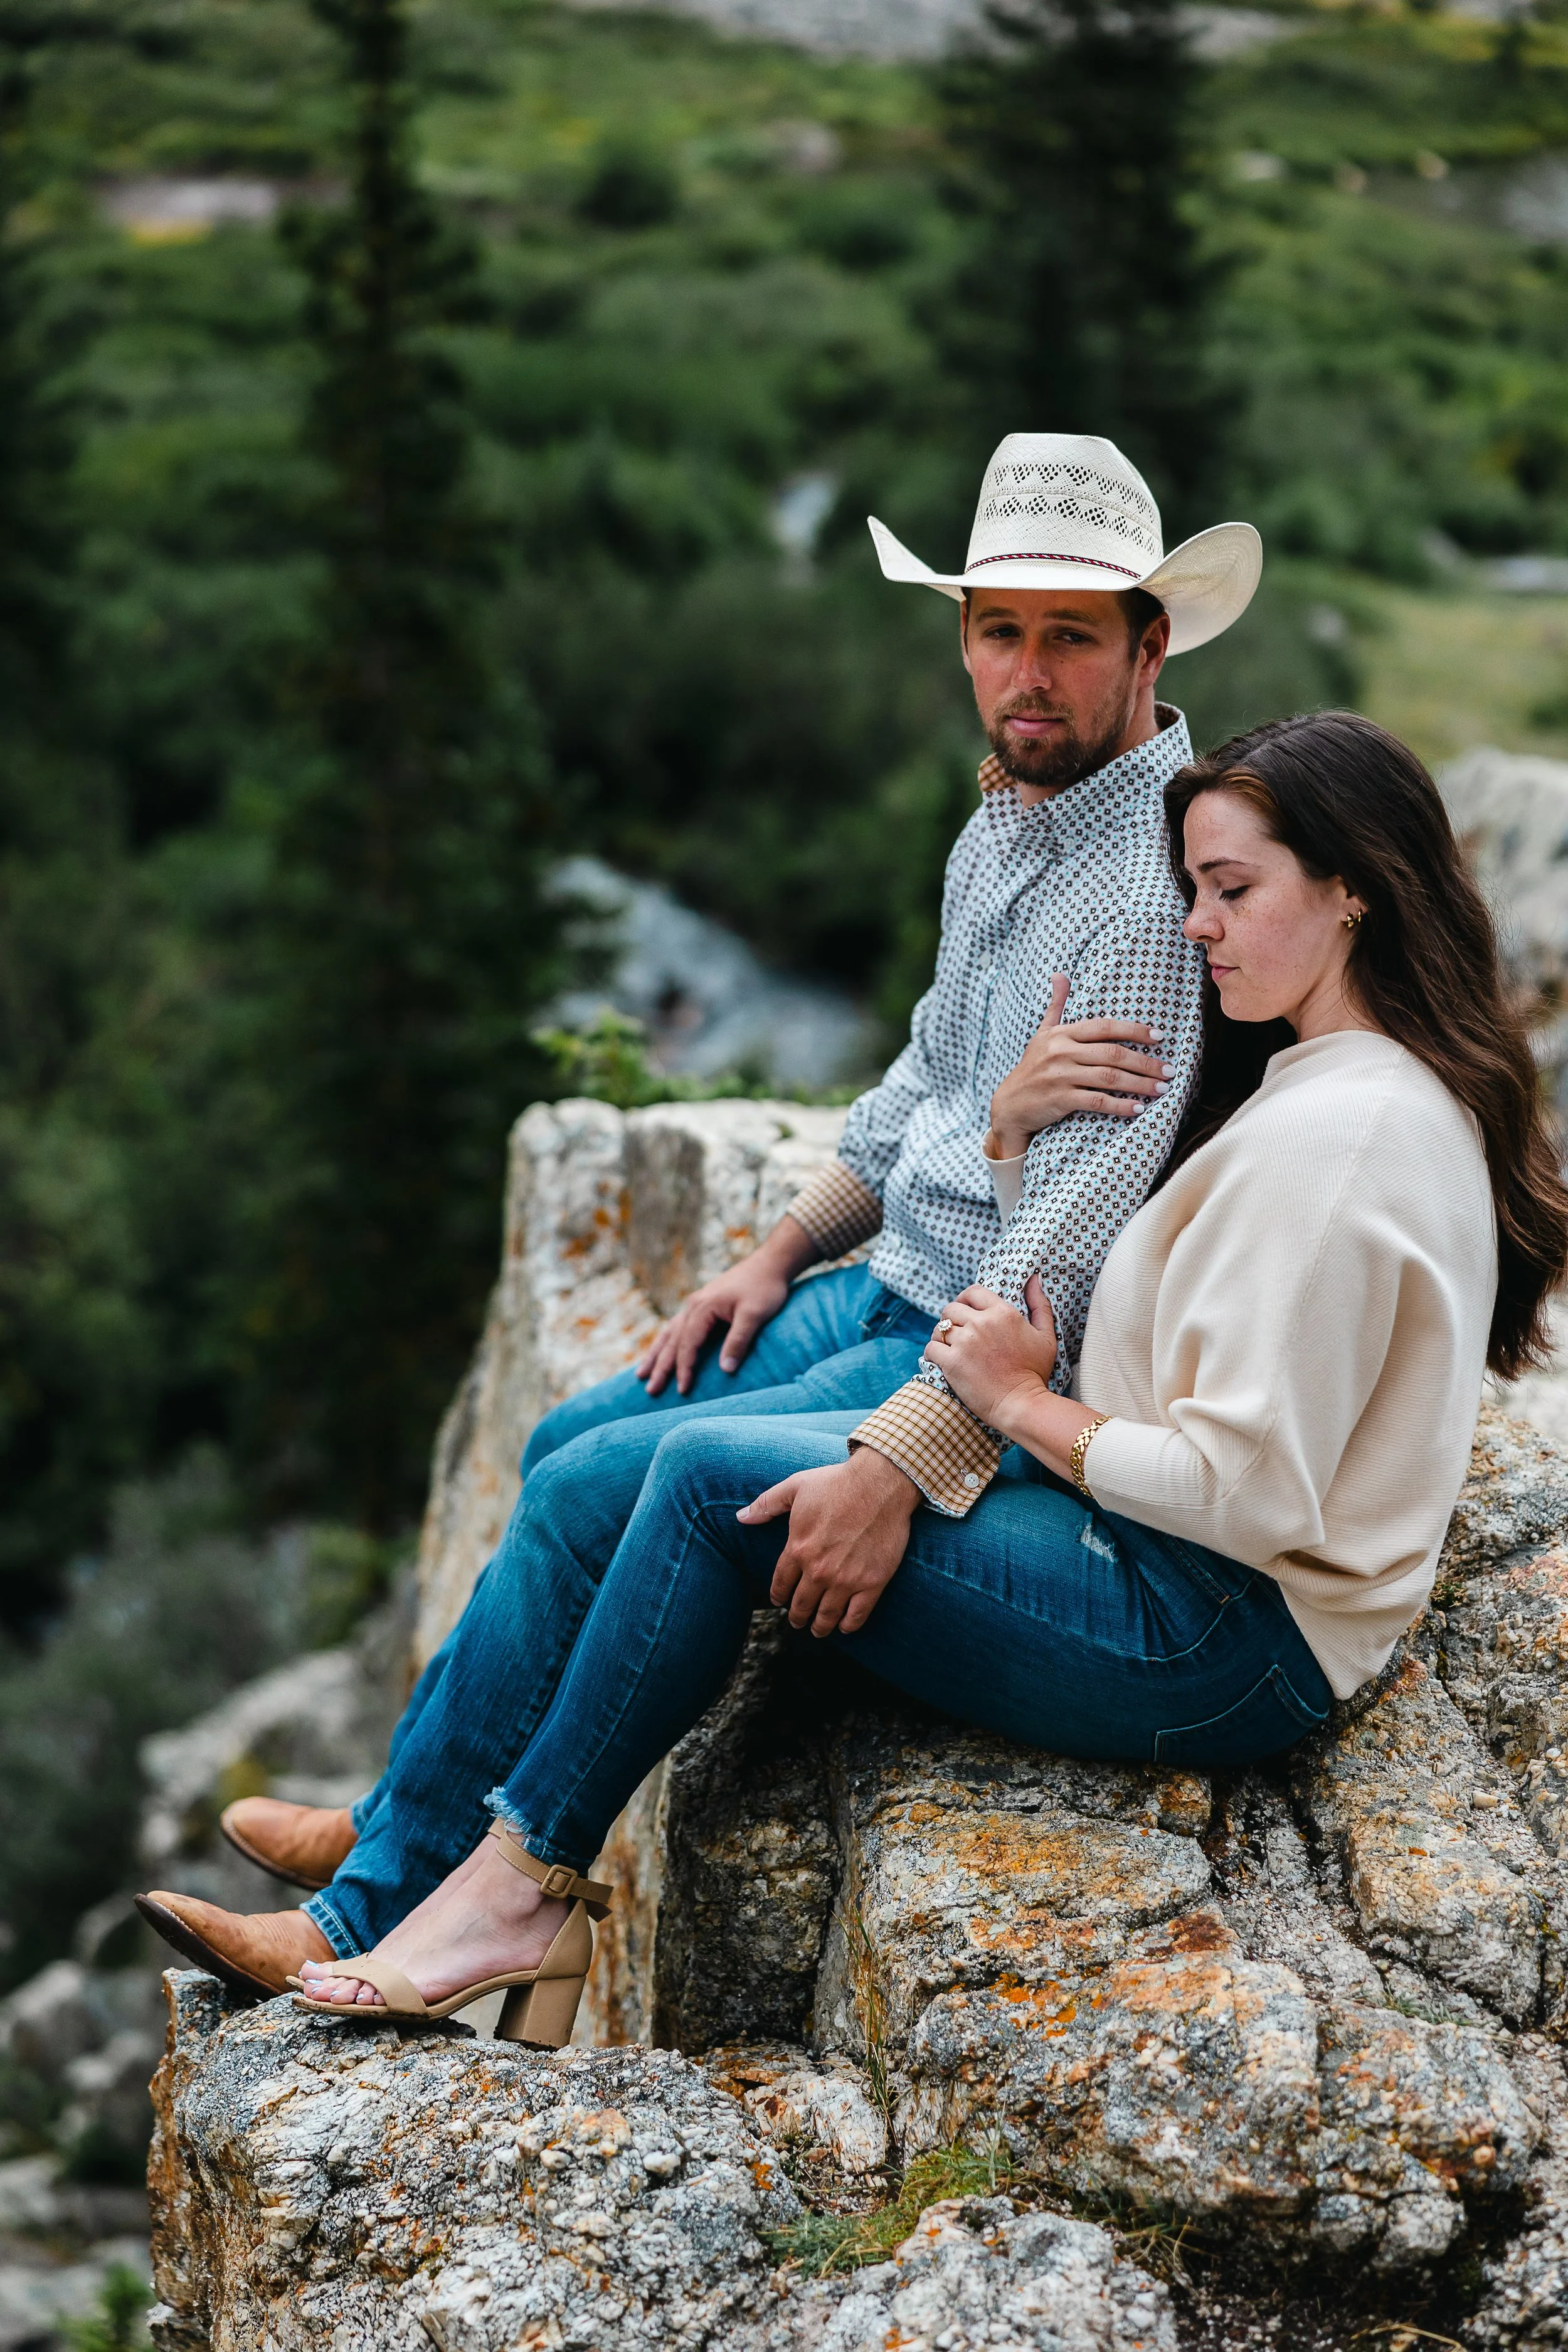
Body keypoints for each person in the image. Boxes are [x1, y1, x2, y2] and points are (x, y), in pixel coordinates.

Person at [136, 431, 1265, 2000]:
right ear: (958, 638)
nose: (1027, 671)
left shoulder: (1152, 892)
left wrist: (917, 1450)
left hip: (966, 1342)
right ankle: (415, 1816)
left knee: (625, 1479)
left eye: (1069, 635)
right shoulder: (1007, 815)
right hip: (876, 1279)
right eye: (997, 629)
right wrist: (776, 1244)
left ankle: (375, 1910)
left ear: (1148, 644)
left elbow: (1064, 1245)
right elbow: (923, 1076)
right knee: (570, 1441)